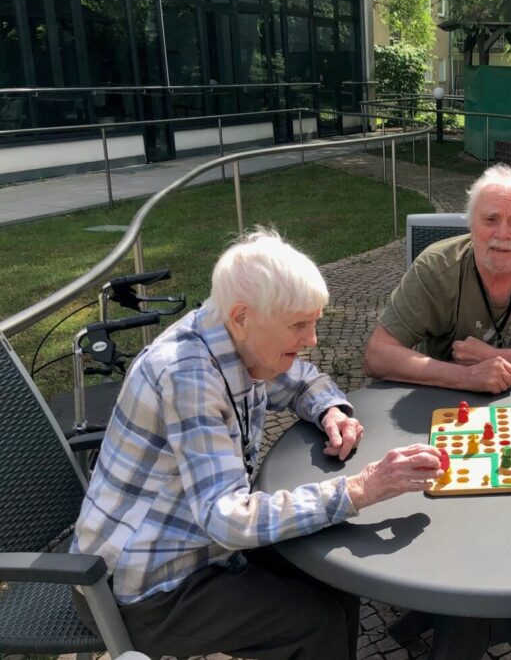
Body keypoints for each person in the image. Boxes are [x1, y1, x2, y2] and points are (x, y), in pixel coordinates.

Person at [70, 229, 441, 660]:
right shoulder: (188, 378)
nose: (313, 339)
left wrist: (330, 411)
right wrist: (361, 488)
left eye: (315, 322)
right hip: (145, 587)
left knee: (339, 575)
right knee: (312, 625)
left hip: (201, 548)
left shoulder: (236, 339)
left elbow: (303, 380)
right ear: (242, 315)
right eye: (299, 325)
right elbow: (228, 519)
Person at [363, 164, 511, 393]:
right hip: (444, 400)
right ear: (471, 225)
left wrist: (493, 357)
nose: (502, 234)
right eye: (490, 219)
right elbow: (378, 355)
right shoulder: (435, 266)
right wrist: (465, 377)